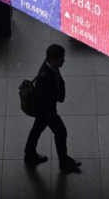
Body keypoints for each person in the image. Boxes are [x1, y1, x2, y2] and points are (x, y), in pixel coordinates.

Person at [24, 43, 82, 172]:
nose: (64, 61)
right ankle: (64, 162)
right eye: (61, 58)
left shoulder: (50, 66)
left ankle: (30, 154)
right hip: (47, 112)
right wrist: (49, 113)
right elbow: (41, 98)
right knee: (61, 132)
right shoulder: (44, 77)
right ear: (53, 59)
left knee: (37, 130)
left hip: (46, 111)